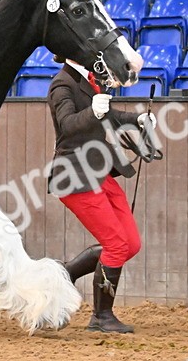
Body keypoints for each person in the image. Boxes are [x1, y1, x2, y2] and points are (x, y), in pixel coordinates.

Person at [46, 60, 157, 334]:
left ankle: (68, 273)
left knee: (129, 244)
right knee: (117, 245)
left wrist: (137, 119)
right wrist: (93, 113)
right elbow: (67, 125)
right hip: (75, 177)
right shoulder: (62, 84)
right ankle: (101, 316)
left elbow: (108, 115)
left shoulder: (89, 80)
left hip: (98, 172)